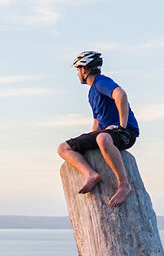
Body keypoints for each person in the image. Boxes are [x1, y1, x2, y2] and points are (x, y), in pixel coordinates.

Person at [57, 50, 139, 207]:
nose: (77, 74)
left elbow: (121, 95)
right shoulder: (91, 93)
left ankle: (124, 185)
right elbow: (97, 121)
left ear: (84, 70)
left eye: (78, 70)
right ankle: (91, 175)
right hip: (106, 133)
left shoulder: (101, 82)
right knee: (63, 148)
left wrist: (122, 126)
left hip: (126, 133)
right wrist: (89, 140)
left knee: (102, 138)